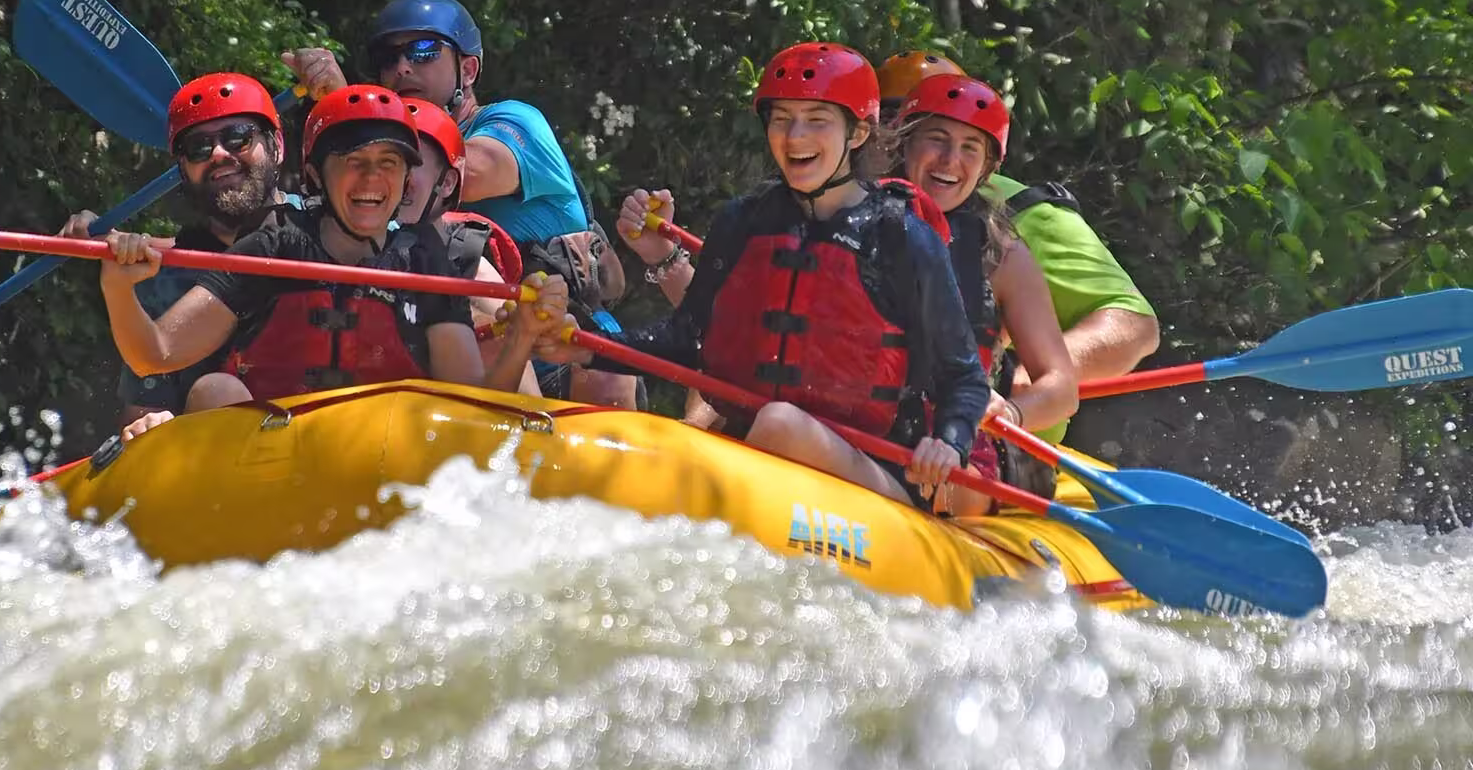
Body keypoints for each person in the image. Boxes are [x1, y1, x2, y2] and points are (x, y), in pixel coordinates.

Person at [538, 43, 990, 511]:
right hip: (755, 450)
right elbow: (685, 339)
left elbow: (964, 378)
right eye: (781, 119)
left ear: (857, 133)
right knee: (766, 426)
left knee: (781, 424)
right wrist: (588, 347)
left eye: (817, 119)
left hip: (869, 467)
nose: (795, 136)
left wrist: (951, 443)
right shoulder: (745, 220)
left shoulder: (902, 238)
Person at [97, 85, 565, 438]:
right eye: (353, 161)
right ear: (319, 175)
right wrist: (117, 288)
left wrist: (521, 336)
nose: (371, 178)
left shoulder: (426, 258)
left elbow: (476, 402)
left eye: (389, 163)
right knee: (213, 393)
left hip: (386, 450)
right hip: (275, 453)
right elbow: (154, 353)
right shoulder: (274, 244)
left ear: (405, 180)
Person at [282, 0, 640, 408]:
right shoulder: (374, 170)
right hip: (446, 333)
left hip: (557, 336)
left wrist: (348, 111)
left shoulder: (512, 120)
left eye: (423, 50)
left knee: (605, 375)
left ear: (467, 69)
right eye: (388, 56)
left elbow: (462, 176)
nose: (402, 66)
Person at [61, 71, 289, 427]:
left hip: (349, 445)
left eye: (238, 137)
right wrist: (153, 428)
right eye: (198, 148)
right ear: (183, 169)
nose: (218, 154)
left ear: (277, 146)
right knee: (217, 393)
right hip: (231, 466)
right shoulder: (161, 277)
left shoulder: (333, 229)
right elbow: (142, 418)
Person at [895, 73, 1079, 513]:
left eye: (969, 149)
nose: (949, 160)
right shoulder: (857, 219)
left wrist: (1009, 414)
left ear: (987, 168)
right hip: (861, 421)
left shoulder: (1002, 255)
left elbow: (1061, 386)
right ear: (905, 144)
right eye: (935, 139)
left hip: (954, 447)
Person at [399, 99, 541, 396]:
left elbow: (528, 401)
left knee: (490, 332)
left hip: (445, 425)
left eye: (410, 162)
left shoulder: (468, 261)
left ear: (448, 184)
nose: (391, 174)